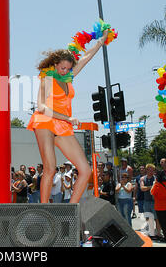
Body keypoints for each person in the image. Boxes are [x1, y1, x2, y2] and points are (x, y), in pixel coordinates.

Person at [26, 29, 109, 203]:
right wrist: (67, 118)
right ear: (55, 64)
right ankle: (44, 210)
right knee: (50, 168)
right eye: (62, 67)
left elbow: (85, 58)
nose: (65, 71)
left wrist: (101, 41)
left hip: (62, 126)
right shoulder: (47, 79)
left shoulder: (69, 77)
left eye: (68, 68)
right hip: (45, 121)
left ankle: (71, 210)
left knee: (86, 170)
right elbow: (41, 107)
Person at [151, 170, 166, 243]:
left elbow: (152, 192)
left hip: (160, 207)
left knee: (163, 223)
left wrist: (154, 183)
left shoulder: (157, 185)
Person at [140, 163, 161, 239]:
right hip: (146, 201)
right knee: (148, 218)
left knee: (156, 218)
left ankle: (158, 233)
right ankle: (151, 233)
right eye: (149, 169)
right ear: (146, 170)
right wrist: (151, 187)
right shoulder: (143, 178)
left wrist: (148, 187)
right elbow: (142, 188)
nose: (150, 171)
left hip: (155, 201)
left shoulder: (156, 178)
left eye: (152, 170)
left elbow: (157, 188)